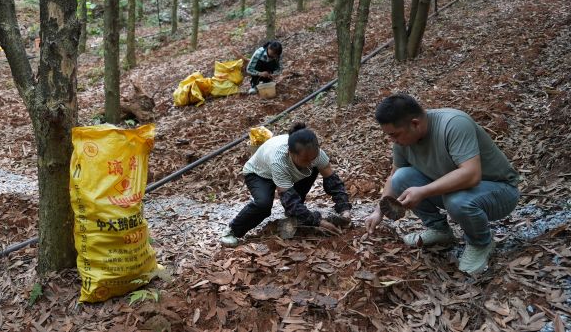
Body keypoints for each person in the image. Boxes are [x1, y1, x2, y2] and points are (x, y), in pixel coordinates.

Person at [365, 94, 520, 275]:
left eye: (394, 135)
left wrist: (422, 191)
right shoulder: (402, 141)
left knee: (457, 200)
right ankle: (440, 231)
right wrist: (378, 211)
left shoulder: (453, 124)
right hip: (457, 191)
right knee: (401, 177)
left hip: (500, 191)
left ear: (415, 123)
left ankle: (481, 243)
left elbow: (471, 175)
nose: (392, 140)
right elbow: (393, 178)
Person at [221, 123, 352, 246]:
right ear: (290, 152)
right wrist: (318, 221)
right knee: (263, 205)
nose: (310, 162)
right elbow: (289, 199)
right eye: (305, 159)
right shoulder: (279, 160)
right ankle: (233, 230)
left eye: (313, 158)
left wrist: (344, 210)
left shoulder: (316, 155)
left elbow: (333, 181)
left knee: (312, 170)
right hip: (259, 174)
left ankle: (297, 216)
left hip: (291, 171)